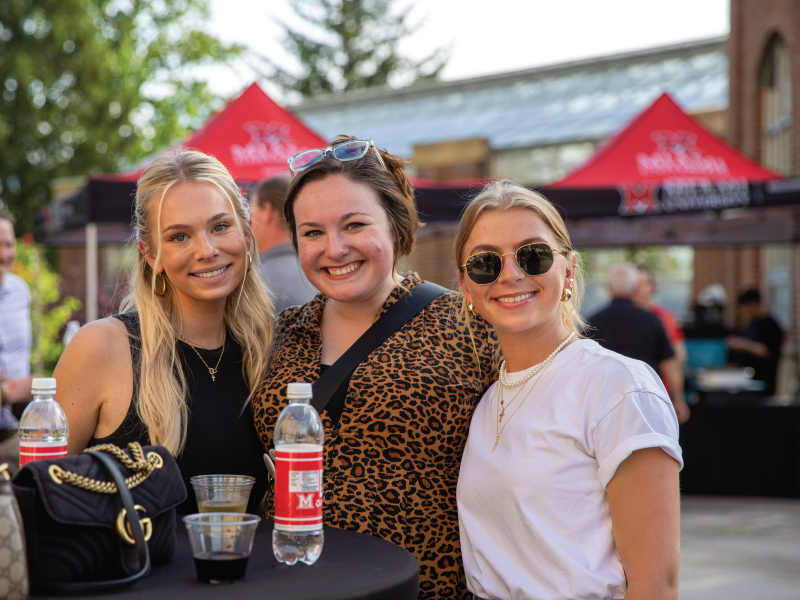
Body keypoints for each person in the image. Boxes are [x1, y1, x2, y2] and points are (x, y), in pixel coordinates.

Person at [252, 137, 497, 599]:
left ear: (396, 226)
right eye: (313, 233)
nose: (335, 248)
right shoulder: (276, 336)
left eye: (355, 224)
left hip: (421, 588)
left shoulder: (471, 326)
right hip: (290, 583)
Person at [455, 181, 683, 600]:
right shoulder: (488, 399)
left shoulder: (619, 387)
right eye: (485, 263)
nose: (510, 274)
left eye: (533, 255)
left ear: (570, 271)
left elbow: (656, 586)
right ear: (467, 287)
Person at [54, 150, 275, 514]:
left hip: (261, 571)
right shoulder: (103, 348)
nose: (206, 250)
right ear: (149, 254)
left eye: (220, 227)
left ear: (247, 234)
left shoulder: (271, 347)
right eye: (179, 237)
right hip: (133, 571)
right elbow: (39, 493)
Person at [588, 263, 690, 423]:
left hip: (605, 401)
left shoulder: (593, 321)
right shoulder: (652, 320)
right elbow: (670, 363)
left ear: (609, 287)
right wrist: (678, 399)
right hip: (647, 396)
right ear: (633, 287)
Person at [0, 204, 36, 474]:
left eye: (9, 244)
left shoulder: (20, 292)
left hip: (14, 436)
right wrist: (7, 393)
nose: (4, 255)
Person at [250, 174, 317, 311]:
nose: (249, 224)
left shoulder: (256, 281)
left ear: (267, 211)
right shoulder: (323, 272)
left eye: (252, 213)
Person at [633, 266, 688, 388]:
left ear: (652, 287)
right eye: (635, 284)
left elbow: (679, 356)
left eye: (643, 283)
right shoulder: (620, 318)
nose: (639, 289)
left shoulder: (665, 317)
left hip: (659, 386)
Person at [726, 288, 784, 396]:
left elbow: (768, 351)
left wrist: (743, 344)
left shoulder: (771, 325)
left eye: (746, 307)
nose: (744, 311)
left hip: (764, 382)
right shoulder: (751, 324)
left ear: (754, 304)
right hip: (747, 382)